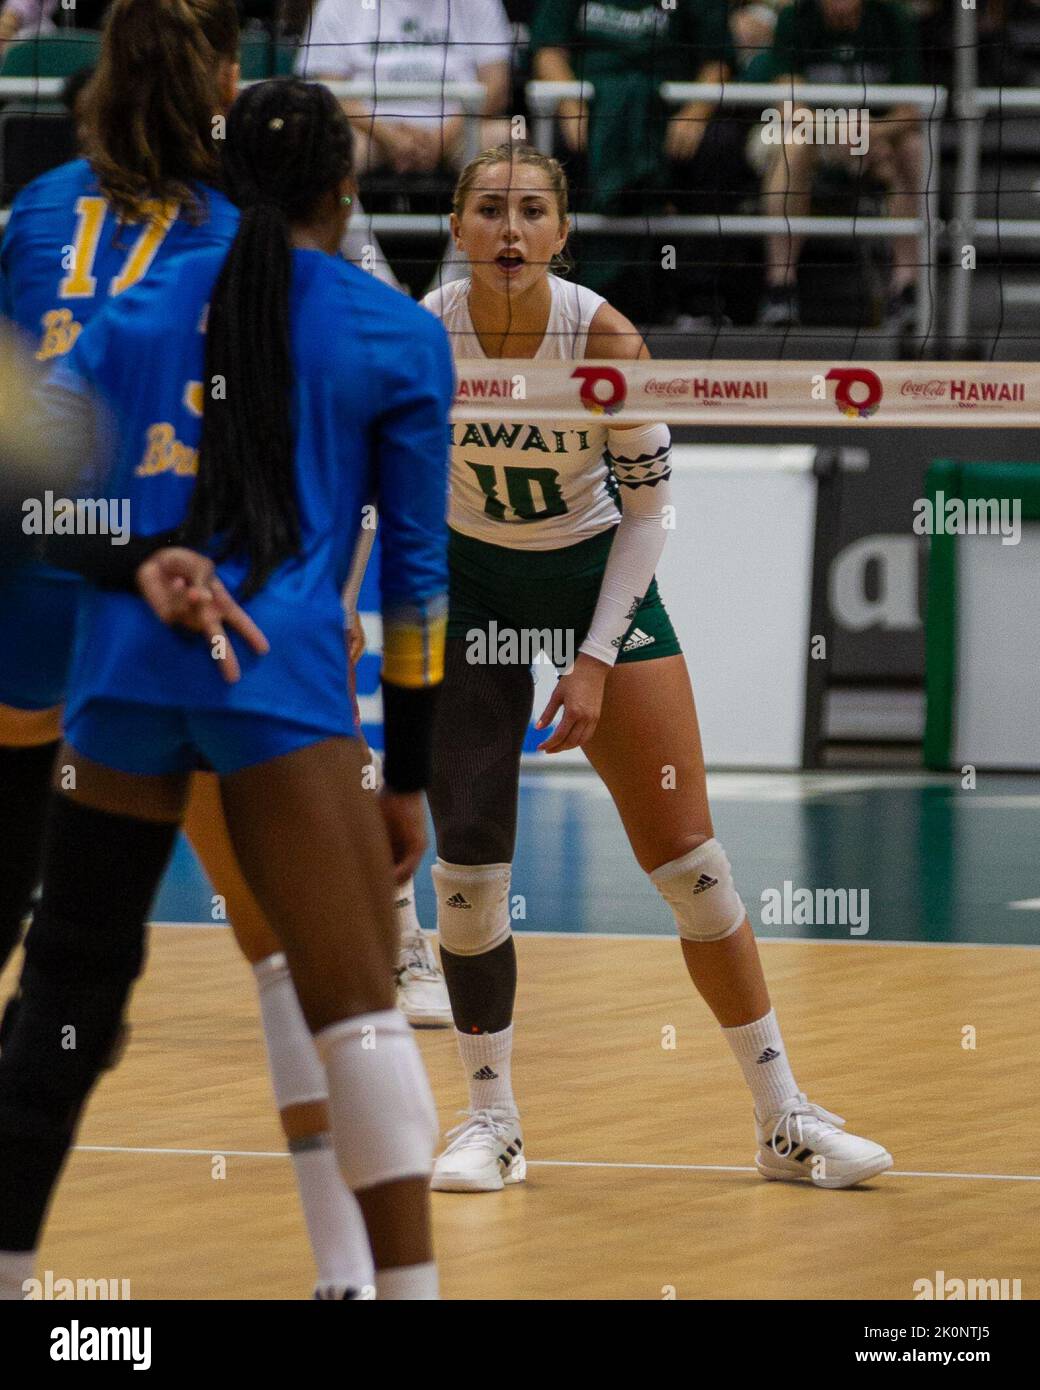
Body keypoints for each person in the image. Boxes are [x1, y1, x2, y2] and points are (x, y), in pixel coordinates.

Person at [0, 0, 436, 1299]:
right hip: (274, 675)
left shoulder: (101, 276)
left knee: (69, 986)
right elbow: (418, 578)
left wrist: (136, 561)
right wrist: (407, 771)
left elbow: (33, 482)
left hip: (102, 656)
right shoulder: (381, 323)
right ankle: (373, 1283)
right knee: (341, 993)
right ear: (342, 188)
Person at [418, 141, 892, 1194]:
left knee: (689, 861)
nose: (508, 230)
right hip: (473, 586)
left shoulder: (603, 335)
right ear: (454, 228)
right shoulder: (426, 333)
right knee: (467, 871)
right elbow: (390, 477)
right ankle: (488, 1119)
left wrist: (590, 662)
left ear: (561, 230)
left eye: (530, 210)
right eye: (488, 209)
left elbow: (646, 515)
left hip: (595, 576)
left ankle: (782, 1120)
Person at [754, 0, 923, 330]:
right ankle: (780, 289)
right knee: (794, 148)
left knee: (914, 148)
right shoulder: (794, 18)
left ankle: (905, 290)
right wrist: (837, 129)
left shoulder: (893, 18)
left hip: (875, 138)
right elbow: (790, 108)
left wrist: (872, 131)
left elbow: (911, 110)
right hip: (810, 133)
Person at [297, 0, 514, 177]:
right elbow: (328, 91)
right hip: (369, 128)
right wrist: (387, 134)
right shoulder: (339, 4)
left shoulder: (479, 3)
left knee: (508, 137)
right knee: (325, 147)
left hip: (458, 127)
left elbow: (497, 87)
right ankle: (350, 231)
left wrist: (442, 136)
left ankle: (471, 230)